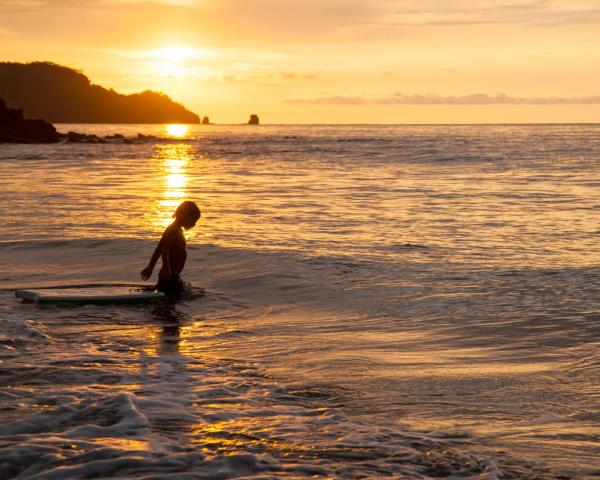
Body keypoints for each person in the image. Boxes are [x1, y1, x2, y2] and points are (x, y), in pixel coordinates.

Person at [141, 201, 201, 295]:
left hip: (170, 275)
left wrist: (150, 267)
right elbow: (165, 249)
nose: (194, 224)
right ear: (185, 216)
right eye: (193, 221)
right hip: (170, 276)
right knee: (172, 301)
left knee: (170, 301)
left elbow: (159, 248)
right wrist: (167, 267)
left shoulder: (174, 229)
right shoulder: (173, 230)